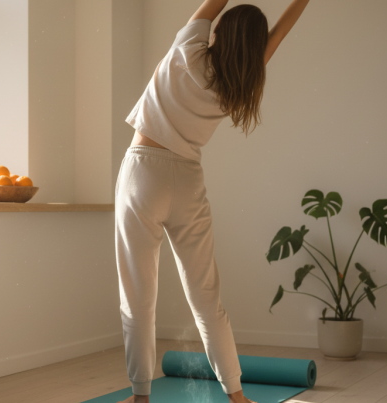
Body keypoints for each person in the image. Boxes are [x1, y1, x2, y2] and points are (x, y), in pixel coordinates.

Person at [115, 1, 310, 402]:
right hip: (187, 181)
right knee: (206, 299)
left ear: (217, 32)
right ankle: (236, 395)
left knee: (138, 295)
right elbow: (281, 32)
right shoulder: (238, 83)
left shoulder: (188, 49)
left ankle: (140, 396)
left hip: (143, 172)